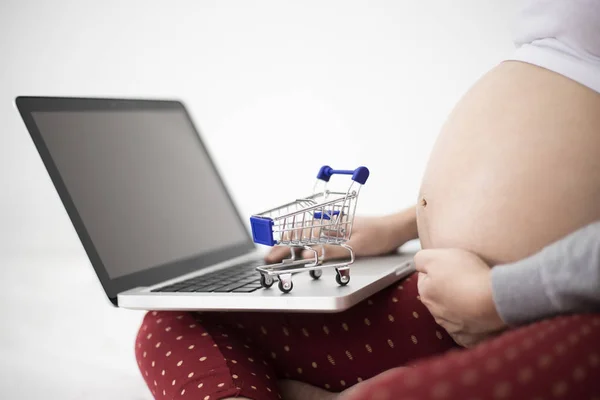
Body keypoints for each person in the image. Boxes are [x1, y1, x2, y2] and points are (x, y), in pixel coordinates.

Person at [135, 1, 600, 399]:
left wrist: (499, 296)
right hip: (460, 293)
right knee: (177, 321)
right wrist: (403, 225)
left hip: (562, 309)